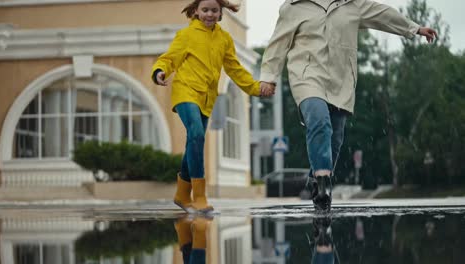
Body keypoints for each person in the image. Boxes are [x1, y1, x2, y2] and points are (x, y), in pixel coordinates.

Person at [259, 0, 437, 211]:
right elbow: (278, 43)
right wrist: (268, 76)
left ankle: (316, 179)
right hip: (306, 75)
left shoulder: (353, 4)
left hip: (340, 79)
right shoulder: (294, 6)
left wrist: (414, 28)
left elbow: (383, 14)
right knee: (319, 120)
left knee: (335, 137)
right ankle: (324, 184)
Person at [152, 0, 275, 214]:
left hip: (207, 99)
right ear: (197, 12)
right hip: (185, 91)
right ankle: (199, 196)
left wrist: (255, 88)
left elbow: (235, 69)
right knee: (197, 134)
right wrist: (160, 71)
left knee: (194, 140)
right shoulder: (186, 35)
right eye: (205, 10)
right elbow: (170, 58)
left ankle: (182, 194)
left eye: (214, 10)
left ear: (220, 13)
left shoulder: (224, 39)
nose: (209, 14)